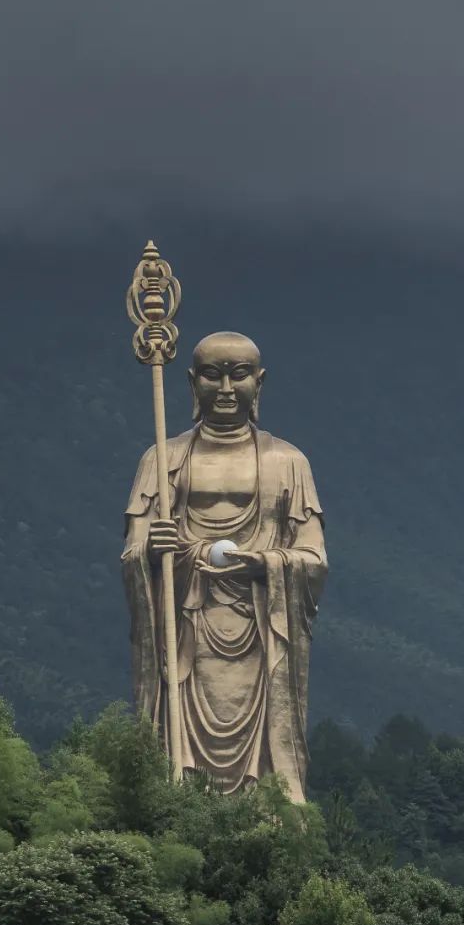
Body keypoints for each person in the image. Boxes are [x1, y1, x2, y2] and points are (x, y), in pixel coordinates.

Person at [122, 330, 326, 800]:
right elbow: (133, 551)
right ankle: (179, 809)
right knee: (178, 758)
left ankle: (265, 817)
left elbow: (314, 558)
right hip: (186, 632)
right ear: (193, 383)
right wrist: (154, 551)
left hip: (261, 631)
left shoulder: (289, 463)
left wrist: (267, 562)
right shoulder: (162, 460)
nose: (227, 390)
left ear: (260, 381)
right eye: (213, 376)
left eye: (240, 376)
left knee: (265, 767)